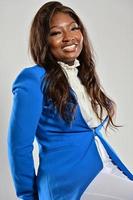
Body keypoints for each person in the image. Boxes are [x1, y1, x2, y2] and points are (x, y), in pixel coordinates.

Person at [7, 1, 133, 200]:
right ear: (44, 40)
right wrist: (27, 196)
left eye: (74, 28)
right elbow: (19, 145)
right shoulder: (33, 78)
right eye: (56, 32)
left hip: (103, 167)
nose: (69, 37)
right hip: (68, 181)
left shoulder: (81, 75)